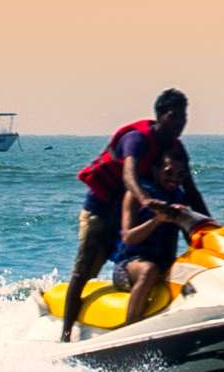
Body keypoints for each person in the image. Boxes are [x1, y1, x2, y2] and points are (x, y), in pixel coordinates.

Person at [58, 88, 214, 341]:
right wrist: (147, 201)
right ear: (161, 115)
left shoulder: (176, 150)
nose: (180, 122)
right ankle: (65, 335)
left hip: (134, 210)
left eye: (184, 116)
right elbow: (128, 175)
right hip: (102, 210)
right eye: (174, 116)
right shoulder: (137, 139)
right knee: (84, 271)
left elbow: (191, 192)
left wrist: (209, 229)